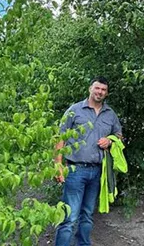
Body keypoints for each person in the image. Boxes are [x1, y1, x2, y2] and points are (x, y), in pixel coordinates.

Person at [54, 76, 122, 246]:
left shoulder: (110, 114)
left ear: (106, 93)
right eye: (97, 88)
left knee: (87, 215)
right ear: (90, 88)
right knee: (69, 217)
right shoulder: (74, 110)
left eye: (103, 90)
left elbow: (119, 135)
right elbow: (60, 137)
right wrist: (58, 165)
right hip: (75, 170)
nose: (100, 92)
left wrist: (110, 141)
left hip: (98, 172)